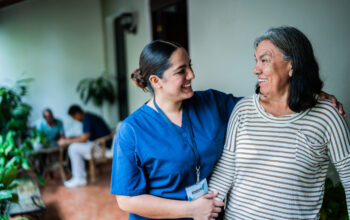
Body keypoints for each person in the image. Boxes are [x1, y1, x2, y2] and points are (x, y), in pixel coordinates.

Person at [110, 40, 346, 220]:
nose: (192, 75)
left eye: (190, 66)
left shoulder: (213, 103)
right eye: (181, 71)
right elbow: (127, 200)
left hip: (213, 214)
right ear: (155, 81)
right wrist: (190, 209)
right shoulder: (132, 130)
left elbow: (272, 102)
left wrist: (309, 94)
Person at [208, 26, 350, 219]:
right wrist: (205, 210)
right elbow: (226, 168)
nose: (255, 69)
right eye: (256, 60)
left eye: (264, 60)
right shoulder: (243, 109)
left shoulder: (327, 116)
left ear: (292, 65)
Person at [59, 105, 111, 188]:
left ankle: (79, 178)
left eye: (74, 117)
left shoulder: (87, 118)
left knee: (73, 148)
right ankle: (79, 177)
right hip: (99, 144)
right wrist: (71, 138)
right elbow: (84, 136)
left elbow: (84, 139)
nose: (75, 120)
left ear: (77, 114)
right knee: (74, 146)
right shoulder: (88, 117)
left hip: (103, 146)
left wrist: (66, 141)